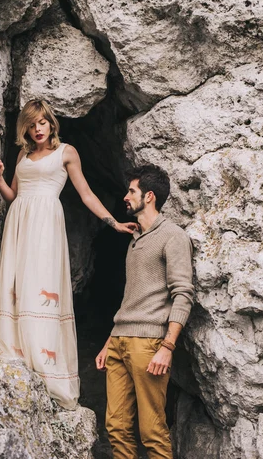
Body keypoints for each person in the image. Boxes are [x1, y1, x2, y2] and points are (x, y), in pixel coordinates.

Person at [0, 99, 137, 410]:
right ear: (25, 128)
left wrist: (114, 223)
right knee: (16, 282)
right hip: (19, 220)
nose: (37, 128)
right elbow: (13, 194)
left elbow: (86, 194)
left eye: (42, 122)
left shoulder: (66, 152)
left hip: (45, 223)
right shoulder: (23, 154)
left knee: (38, 283)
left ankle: (43, 365)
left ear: (51, 123)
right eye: (31, 124)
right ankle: (15, 352)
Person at [96, 164, 194, 458]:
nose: (125, 196)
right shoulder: (135, 240)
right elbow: (131, 298)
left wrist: (167, 346)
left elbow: (183, 294)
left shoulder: (173, 236)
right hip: (119, 342)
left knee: (151, 431)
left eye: (131, 191)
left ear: (149, 196)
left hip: (148, 346)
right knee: (116, 427)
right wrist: (108, 343)